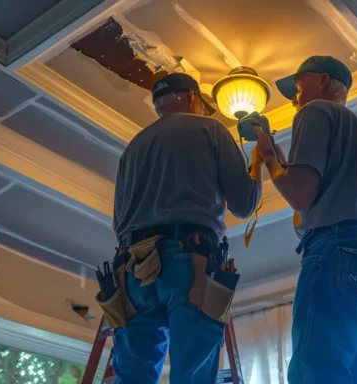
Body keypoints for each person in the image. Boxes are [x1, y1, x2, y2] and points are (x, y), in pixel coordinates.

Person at [253, 56, 357, 384]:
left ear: (321, 80)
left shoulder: (315, 111)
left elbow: (300, 195)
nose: (294, 96)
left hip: (339, 247)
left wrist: (267, 159)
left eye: (298, 85)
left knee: (317, 371)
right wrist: (280, 160)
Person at [109, 72, 263, 383]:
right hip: (189, 259)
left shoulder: (133, 148)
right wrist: (259, 162)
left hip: (133, 265)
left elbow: (119, 221)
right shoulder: (210, 129)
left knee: (133, 374)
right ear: (192, 97)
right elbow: (244, 204)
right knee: (192, 370)